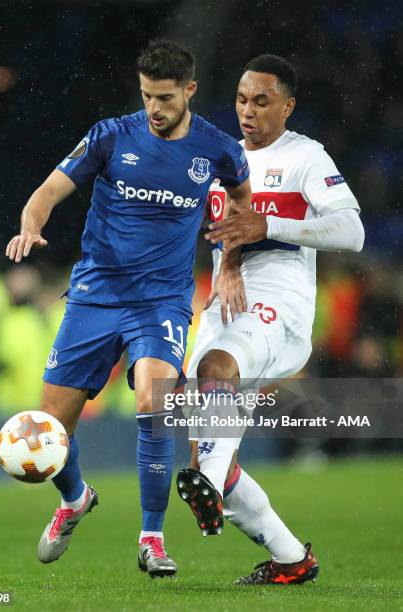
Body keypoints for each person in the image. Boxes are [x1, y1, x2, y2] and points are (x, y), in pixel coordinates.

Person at [5, 39, 251, 578]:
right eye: (145, 97)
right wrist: (30, 227)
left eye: (164, 98)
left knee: (153, 403)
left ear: (189, 90)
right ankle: (73, 498)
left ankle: (152, 538)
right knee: (50, 431)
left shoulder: (217, 148)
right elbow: (47, 190)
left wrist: (229, 260)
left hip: (161, 300)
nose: (154, 109)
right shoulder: (112, 136)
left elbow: (241, 200)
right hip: (96, 295)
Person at [176, 54, 364, 585]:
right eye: (241, 99)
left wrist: (270, 226)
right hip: (223, 305)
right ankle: (291, 560)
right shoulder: (222, 158)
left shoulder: (306, 156)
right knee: (214, 453)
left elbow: (352, 232)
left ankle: (205, 481)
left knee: (215, 373)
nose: (248, 111)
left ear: (288, 105)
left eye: (262, 101)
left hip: (280, 303)